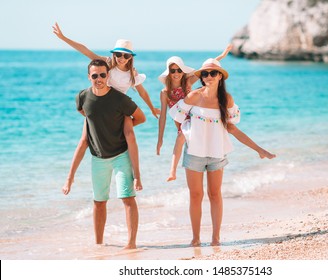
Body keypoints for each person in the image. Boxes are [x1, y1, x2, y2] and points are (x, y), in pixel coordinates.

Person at [169, 58, 275, 246]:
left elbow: (233, 129)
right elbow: (177, 116)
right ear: (201, 77)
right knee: (195, 196)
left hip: (217, 153)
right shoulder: (194, 96)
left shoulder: (227, 99)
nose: (208, 77)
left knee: (215, 194)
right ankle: (195, 239)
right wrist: (186, 130)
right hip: (194, 153)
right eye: (204, 74)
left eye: (212, 73)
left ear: (220, 76)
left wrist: (259, 149)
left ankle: (215, 238)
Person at [53, 22, 158, 192]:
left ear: (131, 57)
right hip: (101, 105)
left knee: (130, 136)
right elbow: (85, 51)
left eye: (126, 56)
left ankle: (137, 176)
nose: (121, 58)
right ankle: (69, 179)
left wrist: (153, 109)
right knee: (83, 141)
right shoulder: (106, 64)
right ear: (114, 54)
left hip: (121, 108)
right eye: (118, 54)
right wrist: (64, 38)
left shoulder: (133, 74)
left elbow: (143, 93)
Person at [65, 59, 145, 249]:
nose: (99, 79)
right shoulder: (82, 97)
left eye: (102, 75)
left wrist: (118, 126)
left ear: (108, 75)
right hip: (98, 159)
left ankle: (131, 243)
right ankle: (99, 244)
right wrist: (70, 178)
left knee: (127, 198)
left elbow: (141, 118)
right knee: (99, 202)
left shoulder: (120, 99)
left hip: (120, 155)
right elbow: (85, 130)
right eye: (95, 75)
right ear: (89, 77)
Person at [156, 46, 231, 181]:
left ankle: (203, 160)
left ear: (183, 71)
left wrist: (223, 55)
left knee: (187, 138)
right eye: (173, 70)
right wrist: (160, 139)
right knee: (181, 138)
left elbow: (209, 68)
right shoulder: (165, 92)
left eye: (179, 70)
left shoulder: (188, 82)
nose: (176, 73)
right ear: (169, 73)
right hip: (180, 120)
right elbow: (163, 116)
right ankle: (172, 171)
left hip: (195, 118)